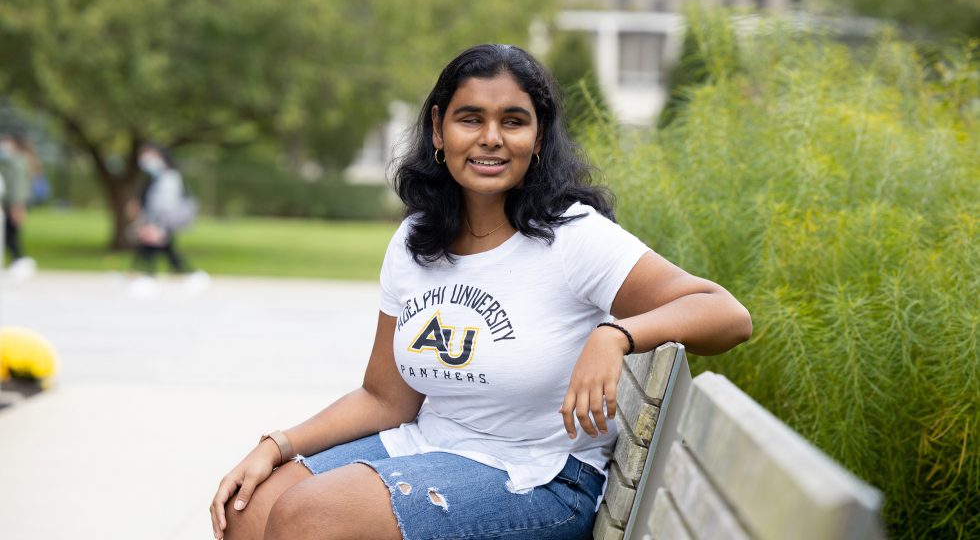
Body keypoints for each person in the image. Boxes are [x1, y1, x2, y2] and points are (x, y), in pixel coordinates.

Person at [210, 44, 752, 540]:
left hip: (538, 476)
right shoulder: (415, 241)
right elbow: (386, 398)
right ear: (439, 130)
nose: (492, 137)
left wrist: (616, 335)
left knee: (312, 516)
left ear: (537, 139)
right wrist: (276, 446)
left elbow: (725, 314)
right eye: (471, 118)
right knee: (247, 511)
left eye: (513, 121)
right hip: (429, 446)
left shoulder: (572, 236)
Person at [127, 143, 206, 295]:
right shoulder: (156, 177)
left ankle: (147, 275)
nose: (145, 159)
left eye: (150, 155)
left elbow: (166, 204)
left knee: (155, 246)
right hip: (157, 220)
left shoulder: (169, 177)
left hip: (163, 220)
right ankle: (148, 274)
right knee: (164, 249)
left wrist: (157, 224)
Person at [0, 134, 36, 279]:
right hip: (11, 203)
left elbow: (19, 186)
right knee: (10, 234)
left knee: (11, 235)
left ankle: (21, 261)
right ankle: (20, 261)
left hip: (16, 203)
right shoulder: (13, 162)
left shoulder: (18, 162)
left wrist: (18, 205)